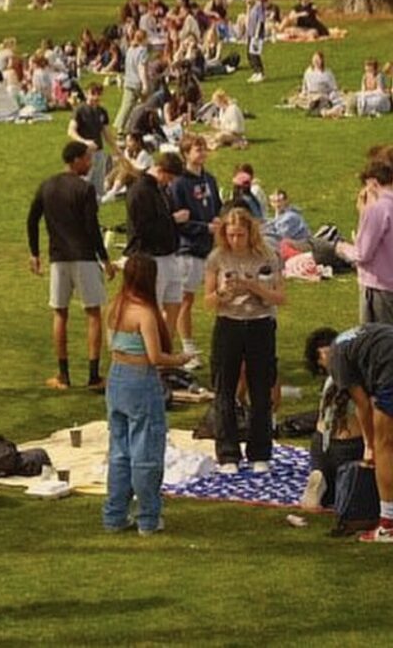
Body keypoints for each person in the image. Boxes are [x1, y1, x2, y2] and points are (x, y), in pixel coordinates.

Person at [102, 255, 188, 535]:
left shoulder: (115, 306)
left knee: (119, 451)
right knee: (146, 452)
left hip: (116, 376)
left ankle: (114, 516)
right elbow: (155, 356)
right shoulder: (145, 312)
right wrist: (180, 359)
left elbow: (110, 344)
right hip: (140, 381)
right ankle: (148, 518)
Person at [28, 142, 115, 390]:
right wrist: (105, 259)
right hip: (85, 258)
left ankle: (63, 376)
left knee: (60, 313)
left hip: (58, 258)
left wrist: (34, 252)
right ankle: (93, 375)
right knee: (93, 314)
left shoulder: (47, 186)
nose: (90, 163)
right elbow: (91, 228)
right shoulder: (85, 189)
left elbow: (32, 219)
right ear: (76, 160)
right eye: (87, 158)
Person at [205, 208, 285, 474]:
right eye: (231, 235)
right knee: (224, 389)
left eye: (240, 234)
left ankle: (260, 451)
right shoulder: (217, 258)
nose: (236, 240)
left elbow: (279, 297)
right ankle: (228, 454)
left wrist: (253, 287)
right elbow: (207, 301)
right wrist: (223, 291)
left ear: (250, 232)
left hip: (260, 323)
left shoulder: (267, 256)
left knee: (260, 389)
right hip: (229, 323)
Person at [321, 323, 393, 541]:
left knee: (385, 447)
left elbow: (363, 406)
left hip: (389, 371)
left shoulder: (335, 359)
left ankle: (388, 525)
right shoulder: (355, 338)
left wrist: (369, 446)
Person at [301, 327, 367, 510]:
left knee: (329, 491)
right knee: (354, 493)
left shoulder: (328, 384)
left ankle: (319, 473)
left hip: (320, 445)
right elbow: (365, 412)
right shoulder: (359, 377)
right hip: (350, 448)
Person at [171, 136, 221, 363]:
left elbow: (217, 207)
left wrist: (219, 221)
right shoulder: (179, 183)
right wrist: (204, 228)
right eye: (196, 149)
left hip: (209, 248)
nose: (201, 152)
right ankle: (188, 349)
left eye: (203, 148)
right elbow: (179, 220)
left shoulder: (210, 179)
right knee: (185, 299)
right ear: (186, 153)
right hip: (188, 248)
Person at [125, 150, 182, 334]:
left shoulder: (159, 190)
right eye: (170, 177)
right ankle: (150, 353)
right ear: (161, 170)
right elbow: (144, 228)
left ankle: (166, 352)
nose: (170, 182)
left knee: (173, 304)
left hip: (168, 254)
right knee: (150, 309)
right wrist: (173, 220)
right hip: (150, 257)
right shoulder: (141, 191)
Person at [355, 161, 393, 325]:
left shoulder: (379, 209)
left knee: (378, 344)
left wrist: (339, 247)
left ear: (373, 183)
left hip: (379, 288)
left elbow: (362, 253)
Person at [68, 82, 113, 196]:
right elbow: (71, 131)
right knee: (84, 182)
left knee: (98, 187)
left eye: (98, 94)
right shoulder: (80, 110)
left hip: (99, 151)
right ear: (86, 94)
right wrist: (85, 142)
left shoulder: (102, 112)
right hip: (84, 153)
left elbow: (106, 133)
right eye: (93, 94)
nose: (95, 97)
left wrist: (116, 149)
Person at [244, 0, 268, 82]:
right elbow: (248, 20)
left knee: (254, 53)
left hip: (256, 34)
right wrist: (248, 7)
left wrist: (256, 35)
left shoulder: (259, 6)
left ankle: (260, 72)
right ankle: (255, 71)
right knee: (249, 54)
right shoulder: (252, 7)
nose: (246, 0)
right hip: (250, 33)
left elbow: (260, 21)